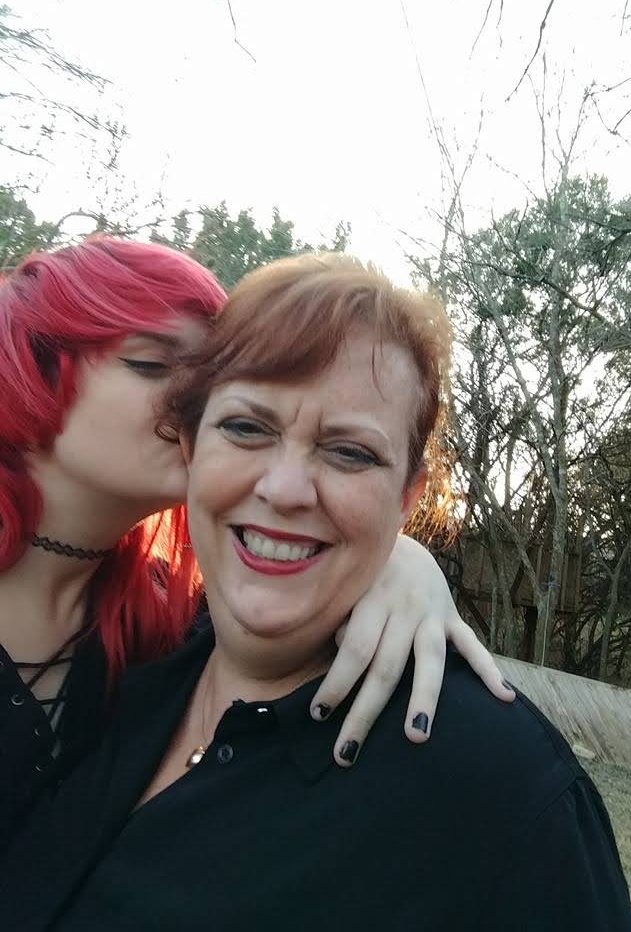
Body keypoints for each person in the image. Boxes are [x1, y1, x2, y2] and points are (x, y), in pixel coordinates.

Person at [5, 254, 631, 931]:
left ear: (409, 495)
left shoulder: (497, 786)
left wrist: (399, 557)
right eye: (246, 427)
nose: (283, 488)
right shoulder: (158, 674)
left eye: (351, 453)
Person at [0, 237, 512, 850]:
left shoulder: (163, 628)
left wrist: (395, 556)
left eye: (211, 385)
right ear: (28, 365)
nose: (189, 402)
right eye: (152, 365)